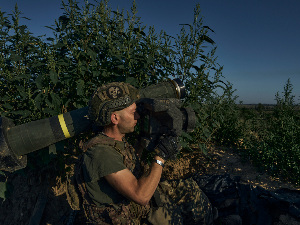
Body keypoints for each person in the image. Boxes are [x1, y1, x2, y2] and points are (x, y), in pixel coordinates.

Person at [72, 81, 216, 225]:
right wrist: (162, 155)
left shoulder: (115, 140)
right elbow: (141, 196)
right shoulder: (100, 153)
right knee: (173, 219)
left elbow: (129, 163)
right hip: (128, 211)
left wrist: (142, 139)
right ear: (115, 118)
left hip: (132, 206)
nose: (138, 116)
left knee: (188, 188)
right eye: (133, 113)